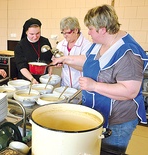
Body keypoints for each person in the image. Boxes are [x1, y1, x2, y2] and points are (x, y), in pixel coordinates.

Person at [52, 4, 148, 154]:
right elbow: (88, 60)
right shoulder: (100, 44)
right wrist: (65, 59)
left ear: (102, 29)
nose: (88, 32)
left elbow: (130, 91)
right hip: (99, 113)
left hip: (117, 121)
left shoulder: (128, 52)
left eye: (90, 29)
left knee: (108, 152)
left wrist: (94, 86)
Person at [14, 18, 53, 84]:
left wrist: (50, 71)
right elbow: (21, 66)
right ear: (26, 32)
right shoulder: (20, 45)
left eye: (38, 33)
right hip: (27, 80)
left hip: (43, 79)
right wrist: (32, 79)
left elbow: (49, 60)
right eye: (32, 34)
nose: (35, 37)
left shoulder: (45, 41)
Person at [56, 16, 92, 89]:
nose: (65, 36)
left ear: (76, 30)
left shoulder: (87, 45)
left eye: (67, 33)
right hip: (65, 86)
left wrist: (65, 61)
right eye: (63, 33)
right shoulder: (61, 44)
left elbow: (85, 67)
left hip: (80, 87)